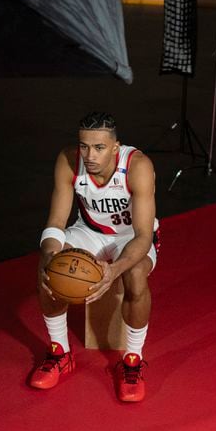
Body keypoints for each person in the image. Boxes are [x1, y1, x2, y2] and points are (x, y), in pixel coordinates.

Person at [29, 112, 159, 402]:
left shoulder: (137, 166)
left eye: (99, 148)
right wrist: (50, 253)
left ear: (115, 147)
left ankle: (132, 360)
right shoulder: (69, 161)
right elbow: (56, 223)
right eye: (84, 146)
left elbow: (143, 235)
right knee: (48, 266)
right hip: (88, 231)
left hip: (130, 235)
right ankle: (59, 352)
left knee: (135, 275)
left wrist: (116, 269)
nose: (89, 154)